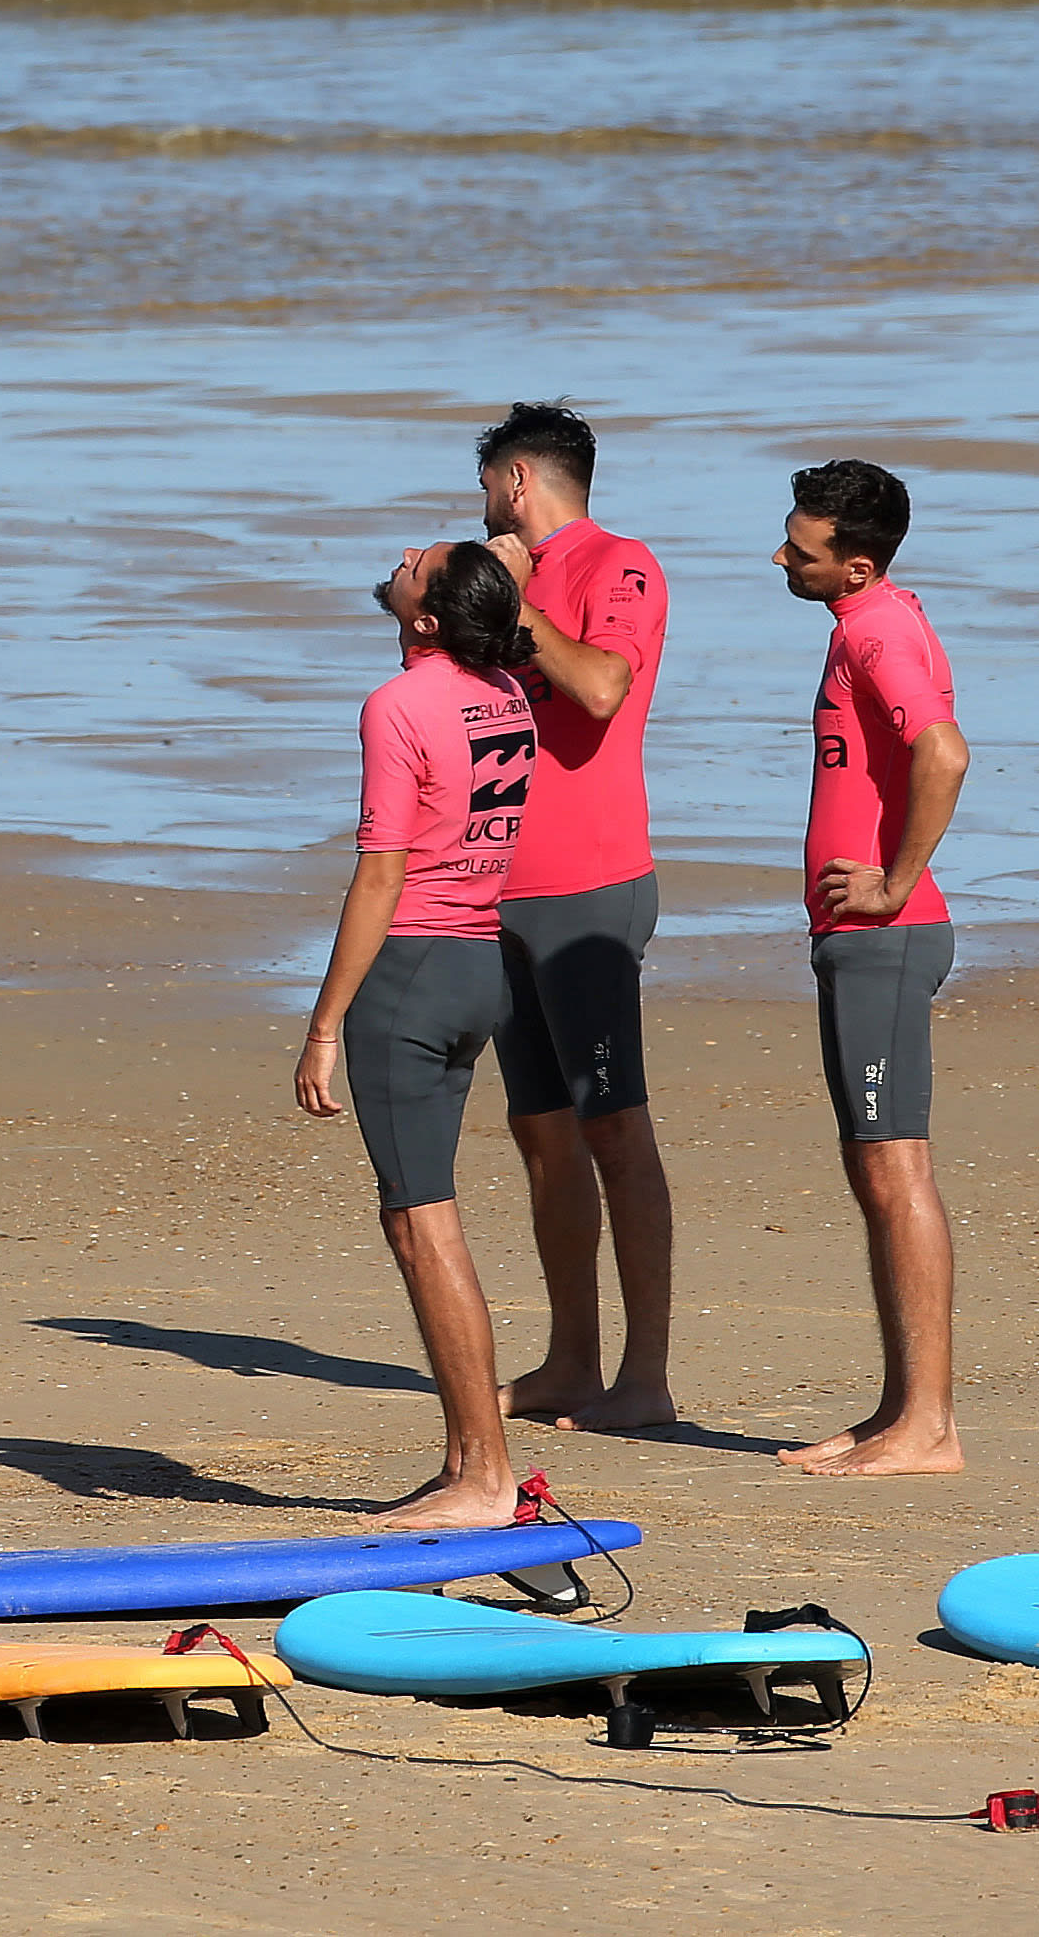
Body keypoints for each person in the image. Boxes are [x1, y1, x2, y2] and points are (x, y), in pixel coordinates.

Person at [294, 541, 542, 1531]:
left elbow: (381, 874)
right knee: (425, 1212)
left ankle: (482, 1474)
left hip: (410, 975)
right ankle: (467, 1461)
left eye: (419, 565)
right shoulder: (506, 694)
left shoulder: (397, 704)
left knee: (418, 1220)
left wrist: (320, 1025)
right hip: (480, 965)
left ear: (426, 617)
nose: (401, 558)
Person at [470, 399, 678, 1435]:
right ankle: (569, 1360)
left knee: (612, 1125)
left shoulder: (617, 564)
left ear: (514, 482)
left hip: (589, 886)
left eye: (487, 489)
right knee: (540, 1134)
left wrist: (516, 606)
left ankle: (645, 1375)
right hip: (496, 887)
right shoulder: (502, 578)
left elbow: (597, 688)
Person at [772, 456, 973, 1476]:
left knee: (895, 1172)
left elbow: (942, 752)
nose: (780, 557)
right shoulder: (871, 619)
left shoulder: (876, 629)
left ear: (852, 566)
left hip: (883, 939)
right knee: (874, 1171)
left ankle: (928, 1426)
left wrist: (894, 883)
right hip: (860, 941)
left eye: (800, 550)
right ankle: (899, 1409)